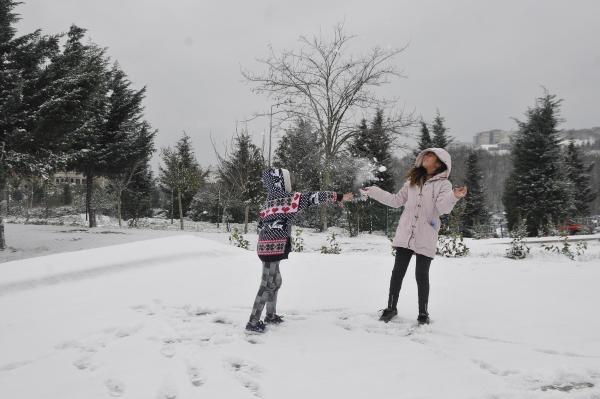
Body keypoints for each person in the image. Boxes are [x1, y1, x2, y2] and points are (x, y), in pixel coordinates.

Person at [361, 148, 467, 325]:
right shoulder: (413, 180)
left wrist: (454, 196)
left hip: (426, 235)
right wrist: (374, 191)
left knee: (421, 275)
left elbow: (443, 208)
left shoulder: (444, 185)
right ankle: (391, 307)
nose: (426, 156)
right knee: (397, 273)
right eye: (425, 154)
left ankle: (423, 313)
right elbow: (395, 201)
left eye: (430, 155)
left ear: (439, 162)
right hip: (405, 233)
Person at [246, 167, 354, 333]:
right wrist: (339, 196)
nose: (290, 183)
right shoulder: (289, 199)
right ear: (281, 181)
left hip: (266, 246)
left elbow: (261, 224)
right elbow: (315, 197)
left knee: (275, 281)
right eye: (288, 179)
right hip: (272, 248)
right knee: (267, 284)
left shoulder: (268, 202)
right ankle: (253, 323)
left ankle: (270, 315)